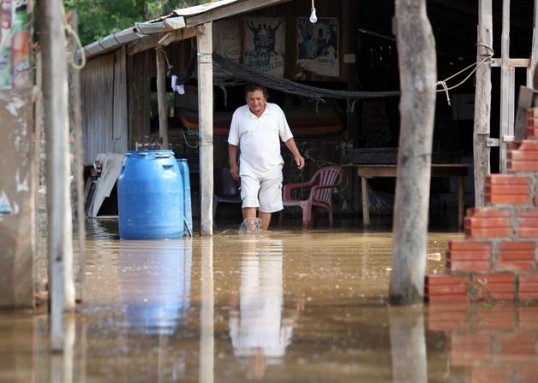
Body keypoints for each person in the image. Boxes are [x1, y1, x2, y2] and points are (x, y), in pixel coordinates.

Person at [228, 84, 305, 231]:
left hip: (273, 167)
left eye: (258, 99)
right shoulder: (239, 113)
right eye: (251, 99)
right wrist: (233, 164)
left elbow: (287, 137)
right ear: (246, 99)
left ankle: (260, 238)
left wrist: (297, 154)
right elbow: (233, 143)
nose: (255, 103)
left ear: (265, 99)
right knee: (249, 201)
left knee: (267, 205)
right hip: (248, 167)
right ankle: (251, 239)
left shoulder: (275, 111)